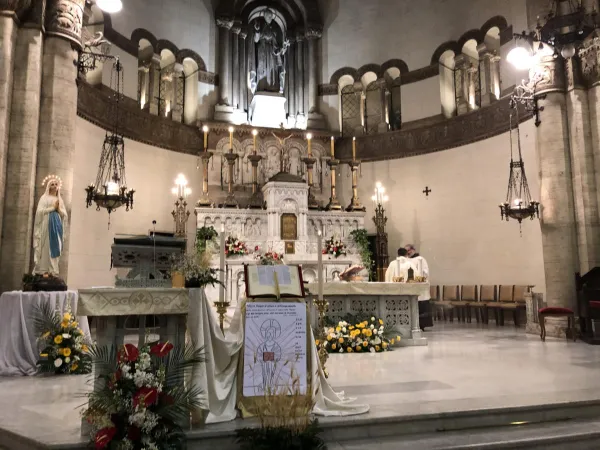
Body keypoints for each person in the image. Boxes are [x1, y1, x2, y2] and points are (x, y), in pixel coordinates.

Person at [33, 176, 68, 276]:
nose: (54, 186)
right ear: (48, 186)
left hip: (57, 226)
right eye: (52, 184)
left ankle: (53, 270)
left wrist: (58, 209)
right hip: (46, 225)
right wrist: (52, 208)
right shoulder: (44, 198)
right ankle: (44, 270)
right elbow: (39, 212)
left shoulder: (59, 200)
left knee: (56, 245)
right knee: (46, 245)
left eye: (56, 184)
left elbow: (64, 215)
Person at [405, 244, 433, 330]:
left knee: (421, 305)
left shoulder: (421, 259)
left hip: (419, 285)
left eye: (408, 250)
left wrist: (420, 278)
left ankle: (422, 324)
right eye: (406, 251)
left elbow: (425, 272)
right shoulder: (405, 260)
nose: (407, 252)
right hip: (410, 286)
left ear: (413, 250)